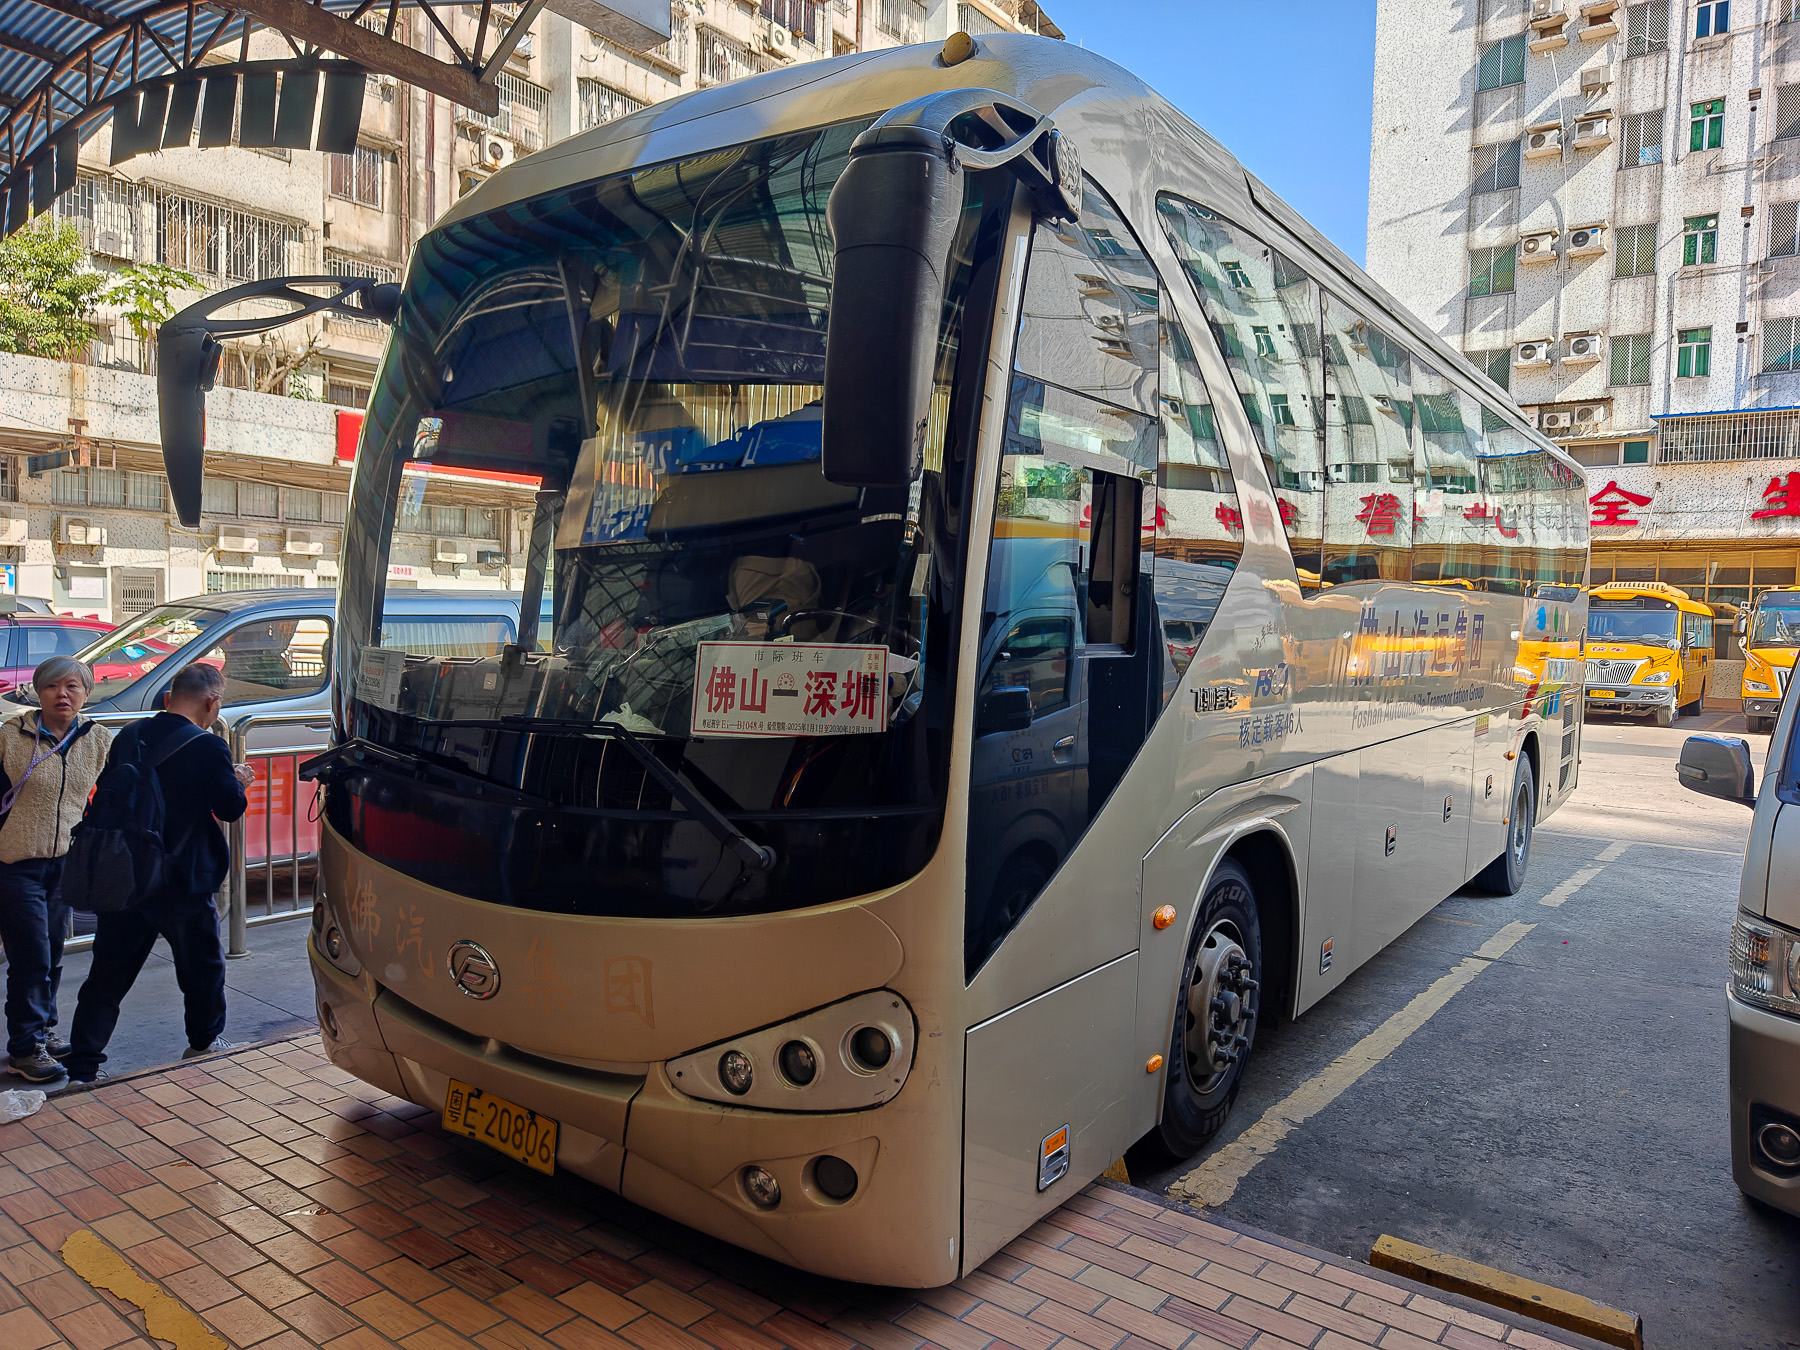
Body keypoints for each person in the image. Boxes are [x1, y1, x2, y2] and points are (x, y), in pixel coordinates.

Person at [63, 663, 255, 1085]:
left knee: (107, 973)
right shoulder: (209, 746)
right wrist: (238, 781)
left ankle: (83, 1067)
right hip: (183, 879)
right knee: (201, 968)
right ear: (212, 703)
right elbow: (229, 808)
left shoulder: (130, 735)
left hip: (126, 873)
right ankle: (203, 1043)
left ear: (169, 698)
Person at [0, 657, 112, 1085]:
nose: (62, 694)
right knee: (31, 956)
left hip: (64, 863)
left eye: (72, 686)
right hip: (14, 863)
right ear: (37, 692)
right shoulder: (10, 736)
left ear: (86, 693)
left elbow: (116, 790)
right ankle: (24, 1048)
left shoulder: (97, 739)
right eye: (51, 686)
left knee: (51, 952)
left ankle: (43, 1028)